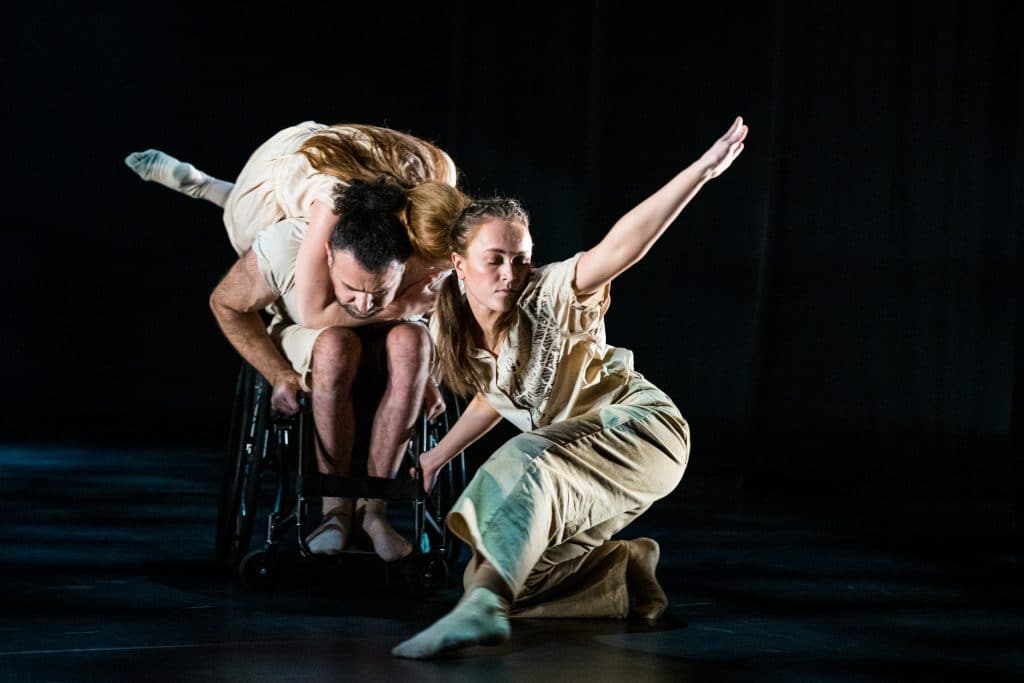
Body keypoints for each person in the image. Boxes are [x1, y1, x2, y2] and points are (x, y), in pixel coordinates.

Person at [391, 116, 748, 658]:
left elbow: (620, 248)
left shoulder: (552, 291)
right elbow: (499, 393)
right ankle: (625, 577)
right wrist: (439, 454)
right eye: (495, 261)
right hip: (580, 463)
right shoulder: (452, 326)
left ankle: (479, 613)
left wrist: (698, 174)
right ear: (460, 266)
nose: (511, 273)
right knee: (504, 568)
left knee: (525, 461)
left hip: (641, 429)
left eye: (520, 259)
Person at [125, 122, 468, 561]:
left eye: (377, 293)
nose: (363, 305)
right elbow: (255, 307)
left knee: (410, 346)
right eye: (352, 289)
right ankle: (334, 511)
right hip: (293, 177)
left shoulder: (428, 242)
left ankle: (375, 514)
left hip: (383, 180)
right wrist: (279, 374)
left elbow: (444, 315)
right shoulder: (301, 233)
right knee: (335, 342)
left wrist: (429, 373)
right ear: (327, 254)